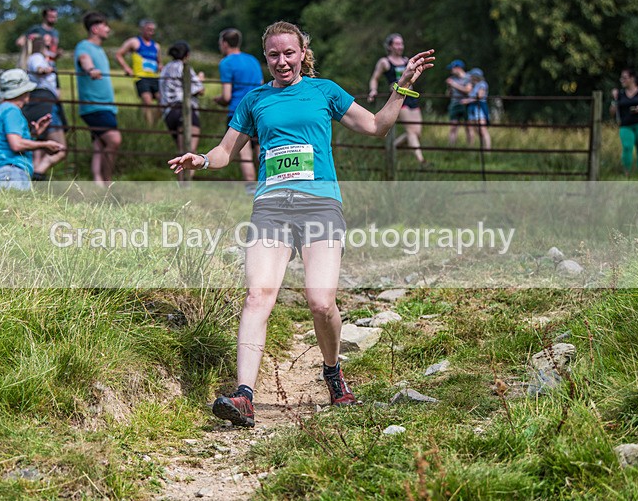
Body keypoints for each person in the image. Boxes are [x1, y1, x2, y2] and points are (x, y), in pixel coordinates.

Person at [169, 21, 434, 427]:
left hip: (320, 205)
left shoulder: (323, 91)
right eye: (273, 55)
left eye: (288, 53)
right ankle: (244, 395)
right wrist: (201, 160)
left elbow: (376, 126)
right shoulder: (254, 100)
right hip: (271, 206)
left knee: (320, 301)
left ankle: (332, 372)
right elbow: (225, 151)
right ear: (265, 58)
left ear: (302, 52)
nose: (281, 61)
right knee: (258, 295)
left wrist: (402, 87)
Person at [0, 69, 65, 190]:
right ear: (22, 92)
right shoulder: (12, 111)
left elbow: (7, 140)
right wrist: (44, 144)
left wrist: (34, 133)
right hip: (12, 172)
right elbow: (16, 144)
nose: (29, 96)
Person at [75, 11, 122, 187]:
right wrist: (91, 69)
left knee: (99, 144)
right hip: (94, 105)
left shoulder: (99, 49)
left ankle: (97, 182)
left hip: (106, 106)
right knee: (114, 140)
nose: (108, 29)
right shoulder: (84, 46)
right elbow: (84, 60)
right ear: (95, 28)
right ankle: (107, 181)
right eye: (105, 26)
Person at [213, 28, 264, 187]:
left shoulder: (226, 63)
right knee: (261, 152)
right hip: (258, 111)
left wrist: (218, 100)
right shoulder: (253, 60)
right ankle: (268, 186)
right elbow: (261, 86)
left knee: (245, 154)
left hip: (238, 113)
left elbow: (227, 96)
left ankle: (250, 188)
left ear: (225, 43)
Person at [368, 33, 427, 165]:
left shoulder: (407, 61)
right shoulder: (384, 62)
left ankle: (390, 147)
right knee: (411, 131)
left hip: (411, 97)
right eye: (397, 44)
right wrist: (373, 90)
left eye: (401, 43)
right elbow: (374, 78)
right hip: (399, 98)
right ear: (390, 46)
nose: (400, 46)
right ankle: (421, 161)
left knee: (417, 133)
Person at [23, 34, 67, 180]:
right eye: (47, 46)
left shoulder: (38, 57)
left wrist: (55, 57)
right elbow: (39, 67)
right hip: (46, 103)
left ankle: (34, 177)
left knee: (39, 146)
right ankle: (38, 173)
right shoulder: (36, 57)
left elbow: (48, 60)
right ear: (42, 46)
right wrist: (44, 69)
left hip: (38, 102)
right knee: (61, 149)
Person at [160, 40, 204, 182]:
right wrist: (201, 79)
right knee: (190, 153)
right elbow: (199, 88)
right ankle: (185, 186)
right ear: (187, 54)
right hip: (184, 111)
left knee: (181, 152)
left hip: (168, 113)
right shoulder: (184, 67)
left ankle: (181, 185)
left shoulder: (165, 68)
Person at [610, 67, 638, 179]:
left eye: (624, 78)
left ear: (632, 78)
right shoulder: (620, 94)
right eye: (621, 78)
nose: (622, 80)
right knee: (627, 147)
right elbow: (612, 112)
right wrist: (615, 99)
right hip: (626, 125)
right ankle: (626, 174)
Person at [115, 19, 162, 125]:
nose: (151, 32)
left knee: (162, 99)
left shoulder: (156, 46)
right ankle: (149, 126)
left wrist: (160, 66)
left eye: (153, 30)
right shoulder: (134, 42)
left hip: (154, 77)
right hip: (141, 77)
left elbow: (159, 62)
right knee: (147, 101)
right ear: (142, 29)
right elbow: (118, 54)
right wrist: (126, 68)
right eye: (148, 29)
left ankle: (156, 124)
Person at [445, 59, 473, 146]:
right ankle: (451, 149)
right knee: (453, 128)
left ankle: (470, 149)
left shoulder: (468, 77)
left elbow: (468, 90)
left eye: (452, 68)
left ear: (458, 68)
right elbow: (447, 95)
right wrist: (449, 87)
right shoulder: (452, 79)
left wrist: (453, 84)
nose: (451, 70)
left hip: (466, 104)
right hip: (454, 104)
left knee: (468, 128)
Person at [462, 68, 491, 150]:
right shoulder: (473, 85)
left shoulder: (482, 84)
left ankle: (487, 149)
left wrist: (467, 101)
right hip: (472, 108)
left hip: (479, 108)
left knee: (482, 130)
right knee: (473, 129)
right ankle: (472, 149)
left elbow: (480, 96)